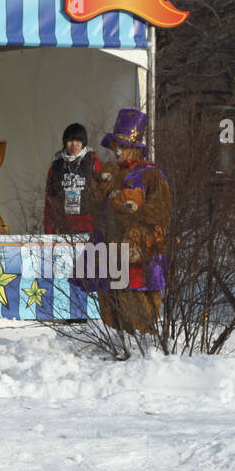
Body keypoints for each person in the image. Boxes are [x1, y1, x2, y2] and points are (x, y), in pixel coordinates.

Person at [83, 109, 170, 334]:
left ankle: (142, 348)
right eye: (115, 147)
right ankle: (117, 344)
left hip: (136, 250)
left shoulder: (150, 174)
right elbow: (93, 210)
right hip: (108, 245)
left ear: (135, 148)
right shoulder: (109, 172)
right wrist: (100, 187)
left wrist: (137, 225)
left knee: (135, 301)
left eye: (122, 146)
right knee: (109, 301)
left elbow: (161, 211)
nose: (118, 151)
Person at [44, 123, 101, 234]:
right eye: (70, 140)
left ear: (84, 142)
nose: (74, 144)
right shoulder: (56, 167)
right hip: (63, 229)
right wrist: (49, 232)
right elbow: (49, 201)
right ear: (65, 142)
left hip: (90, 229)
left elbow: (102, 197)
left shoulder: (94, 164)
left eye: (78, 141)